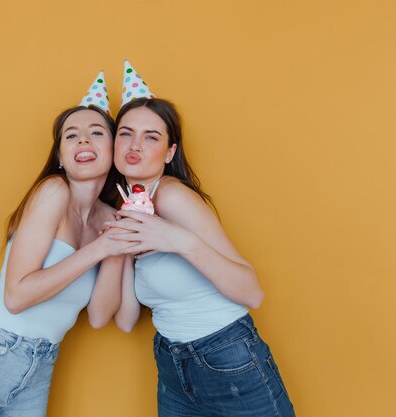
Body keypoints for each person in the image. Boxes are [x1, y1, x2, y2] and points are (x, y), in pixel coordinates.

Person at [0, 71, 133, 417]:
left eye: (97, 133)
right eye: (72, 136)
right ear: (61, 156)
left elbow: (99, 317)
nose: (84, 141)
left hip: (40, 364)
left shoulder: (111, 217)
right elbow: (17, 296)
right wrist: (98, 249)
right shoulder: (53, 192)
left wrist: (117, 248)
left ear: (113, 150)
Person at [108, 60, 295, 417]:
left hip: (227, 356)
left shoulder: (173, 197)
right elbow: (127, 320)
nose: (135, 145)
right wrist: (116, 248)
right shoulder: (128, 205)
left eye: (152, 137)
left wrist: (176, 239)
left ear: (169, 152)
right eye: (126, 133)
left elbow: (251, 291)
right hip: (171, 361)